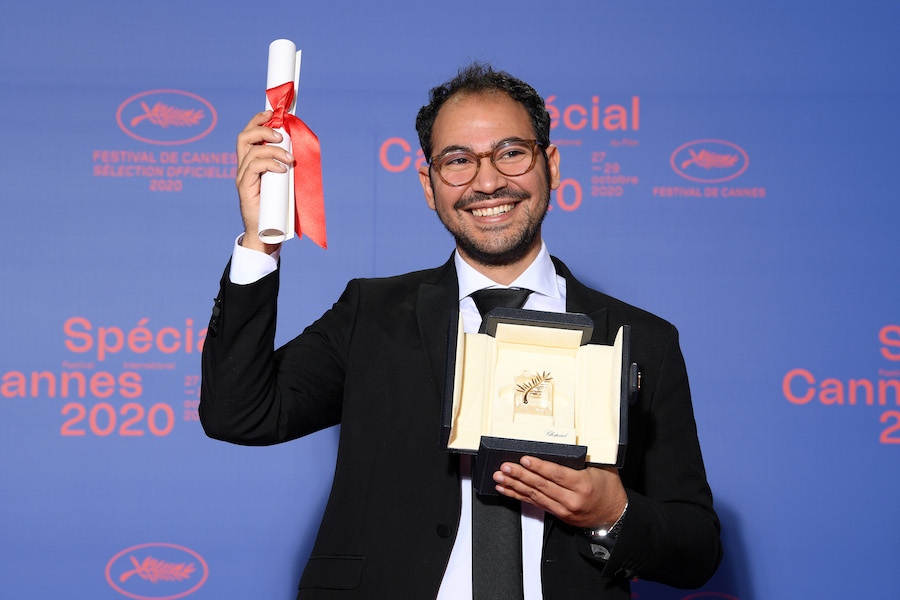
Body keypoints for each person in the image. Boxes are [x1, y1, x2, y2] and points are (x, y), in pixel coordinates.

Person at [200, 63, 722, 600]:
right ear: (429, 185)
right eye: (458, 161)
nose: (488, 181)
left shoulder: (644, 338)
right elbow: (238, 413)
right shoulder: (371, 313)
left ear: (552, 164)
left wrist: (613, 512)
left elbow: (698, 548)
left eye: (511, 153)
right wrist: (258, 243)